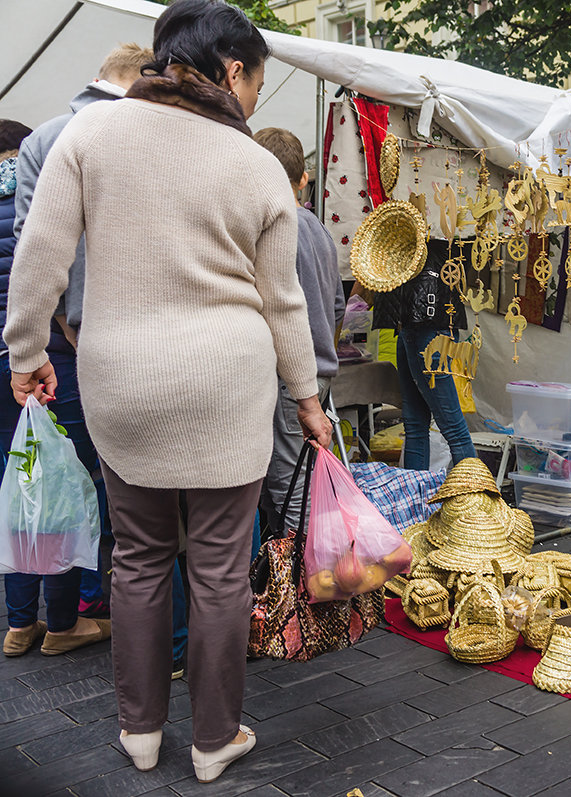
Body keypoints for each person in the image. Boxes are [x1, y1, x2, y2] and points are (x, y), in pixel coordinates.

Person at [4, 0, 331, 783]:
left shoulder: (90, 133)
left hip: (123, 380)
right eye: (256, 80)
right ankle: (215, 738)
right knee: (219, 567)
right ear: (230, 70)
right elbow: (282, 298)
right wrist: (308, 396)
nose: (255, 99)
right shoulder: (255, 162)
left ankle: (140, 729)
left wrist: (24, 353)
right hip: (230, 381)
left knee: (140, 557)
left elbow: (39, 252)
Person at [13, 43, 153, 625]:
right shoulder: (149, 129)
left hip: (66, 337)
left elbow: (31, 242)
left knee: (55, 474)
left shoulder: (41, 139)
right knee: (124, 480)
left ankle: (42, 617)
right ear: (144, 78)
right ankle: (109, 601)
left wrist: (37, 342)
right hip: (140, 333)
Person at [2, 117, 114, 659]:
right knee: (69, 486)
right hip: (51, 360)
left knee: (25, 488)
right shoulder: (56, 199)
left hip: (16, 363)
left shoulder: (32, 188)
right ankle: (71, 617)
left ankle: (21, 622)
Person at [252, 126, 344, 531]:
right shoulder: (319, 228)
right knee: (301, 484)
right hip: (318, 376)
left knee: (291, 490)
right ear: (303, 178)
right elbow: (339, 306)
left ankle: (305, 587)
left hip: (290, 380)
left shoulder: (272, 226)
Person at [361, 238, 477, 470]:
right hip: (409, 326)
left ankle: (475, 498)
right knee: (415, 425)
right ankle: (416, 495)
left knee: (452, 428)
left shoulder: (437, 228)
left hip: (426, 325)